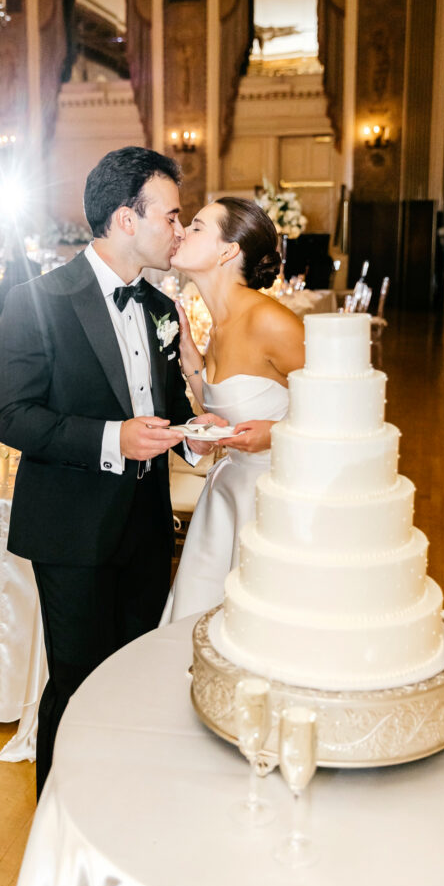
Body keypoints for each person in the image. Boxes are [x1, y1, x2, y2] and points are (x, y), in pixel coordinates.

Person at [0, 147, 219, 798]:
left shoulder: (157, 305)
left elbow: (167, 409)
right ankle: (57, 824)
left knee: (132, 679)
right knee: (74, 680)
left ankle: (118, 808)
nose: (178, 230)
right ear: (126, 219)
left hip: (146, 528)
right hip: (70, 527)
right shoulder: (38, 300)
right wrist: (110, 438)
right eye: (170, 217)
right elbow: (13, 418)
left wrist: (197, 439)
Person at [161, 197, 305, 623]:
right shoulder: (220, 325)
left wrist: (275, 435)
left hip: (273, 501)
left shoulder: (270, 322)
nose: (183, 231)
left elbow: (345, 411)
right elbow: (220, 412)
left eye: (198, 226)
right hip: (226, 492)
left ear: (227, 251)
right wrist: (191, 359)